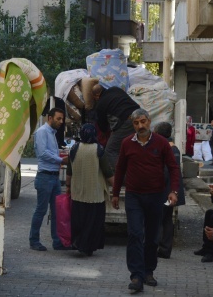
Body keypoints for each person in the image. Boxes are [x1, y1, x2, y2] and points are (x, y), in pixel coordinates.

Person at [111, 109, 180, 292]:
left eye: (143, 121)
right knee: (134, 234)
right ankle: (136, 275)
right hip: (134, 196)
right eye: (136, 123)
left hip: (156, 196)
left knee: (152, 236)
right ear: (132, 124)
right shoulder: (127, 143)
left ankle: (149, 270)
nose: (140, 126)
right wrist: (115, 193)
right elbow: (120, 170)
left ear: (149, 121)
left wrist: (173, 191)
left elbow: (173, 168)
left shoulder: (161, 143)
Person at [65, 123, 113, 256]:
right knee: (93, 222)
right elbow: (107, 172)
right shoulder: (99, 149)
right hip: (95, 194)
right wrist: (117, 185)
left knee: (79, 220)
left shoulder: (74, 148)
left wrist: (68, 187)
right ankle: (88, 246)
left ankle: (78, 243)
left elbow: (69, 171)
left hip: (78, 193)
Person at [29, 108, 70, 251]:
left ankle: (57, 241)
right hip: (45, 177)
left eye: (62, 119)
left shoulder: (52, 133)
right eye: (58, 119)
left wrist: (60, 158)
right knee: (41, 210)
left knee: (57, 210)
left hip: (53, 177)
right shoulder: (42, 132)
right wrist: (61, 160)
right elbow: (43, 153)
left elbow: (50, 152)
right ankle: (34, 240)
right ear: (50, 118)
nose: (61, 122)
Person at [152, 122, 186, 259]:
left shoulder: (165, 148)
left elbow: (165, 173)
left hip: (164, 192)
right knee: (166, 219)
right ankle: (165, 249)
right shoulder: (174, 148)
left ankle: (159, 247)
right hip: (171, 192)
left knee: (159, 219)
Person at [92, 84, 139, 171]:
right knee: (133, 148)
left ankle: (122, 178)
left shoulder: (100, 104)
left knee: (110, 151)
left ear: (97, 95)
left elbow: (103, 126)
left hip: (126, 122)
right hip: (139, 115)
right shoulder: (115, 88)